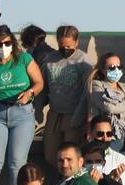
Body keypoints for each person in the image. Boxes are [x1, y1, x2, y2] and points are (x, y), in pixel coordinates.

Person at [0, 25, 43, 185]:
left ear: (12, 42)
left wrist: (30, 93)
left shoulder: (24, 59)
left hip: (22, 113)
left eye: (6, 43)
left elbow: (39, 82)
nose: (3, 48)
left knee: (17, 162)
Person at [38, 26, 92, 177]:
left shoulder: (83, 61)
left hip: (74, 113)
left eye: (69, 46)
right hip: (55, 112)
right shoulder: (50, 59)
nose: (65, 49)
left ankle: (69, 182)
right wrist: (38, 109)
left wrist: (81, 116)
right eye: (62, 46)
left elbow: (87, 92)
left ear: (76, 42)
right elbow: (43, 86)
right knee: (51, 153)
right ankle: (59, 181)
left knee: (70, 155)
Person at [87, 52, 125, 174]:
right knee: (106, 170)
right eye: (111, 67)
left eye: (119, 67)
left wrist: (121, 114)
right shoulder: (96, 86)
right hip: (107, 136)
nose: (116, 70)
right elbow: (109, 108)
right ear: (102, 69)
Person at [88, 116, 125, 185]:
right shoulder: (81, 157)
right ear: (91, 134)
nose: (105, 138)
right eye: (100, 134)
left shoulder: (119, 159)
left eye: (109, 134)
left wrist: (115, 180)